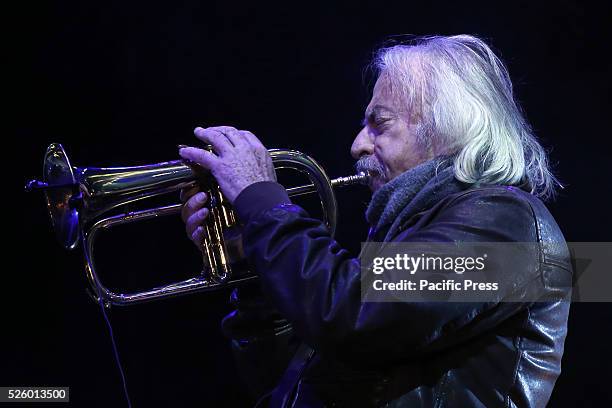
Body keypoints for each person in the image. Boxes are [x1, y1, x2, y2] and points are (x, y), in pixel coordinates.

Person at [178, 35, 572, 407]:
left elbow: (354, 314)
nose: (357, 145)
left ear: (448, 129)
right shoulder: (408, 235)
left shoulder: (508, 224)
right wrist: (253, 264)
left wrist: (262, 202)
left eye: (379, 124)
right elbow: (284, 387)